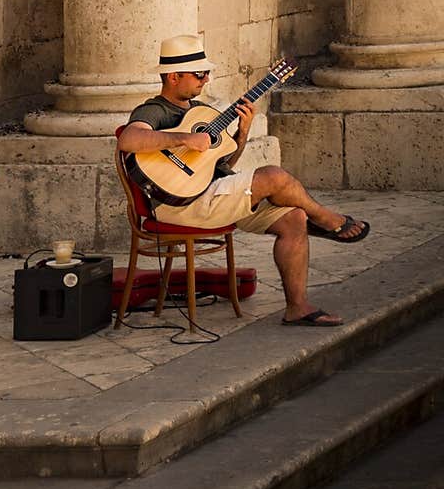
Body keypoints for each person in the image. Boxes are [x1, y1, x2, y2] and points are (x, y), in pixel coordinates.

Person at [117, 34, 370, 327]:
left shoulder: (200, 112)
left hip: (209, 193)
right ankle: (328, 219)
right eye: (199, 74)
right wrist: (185, 138)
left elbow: (220, 164)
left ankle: (297, 308)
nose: (206, 79)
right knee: (274, 175)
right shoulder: (155, 109)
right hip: (178, 204)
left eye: (207, 73)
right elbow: (129, 138)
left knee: (294, 218)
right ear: (173, 76)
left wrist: (243, 131)